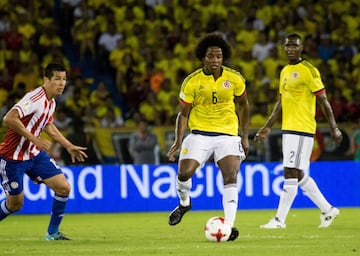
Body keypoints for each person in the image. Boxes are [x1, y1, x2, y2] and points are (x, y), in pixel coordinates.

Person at [254, 33, 343, 229]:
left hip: (302, 129)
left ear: (301, 48)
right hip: (289, 129)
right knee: (298, 174)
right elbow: (280, 103)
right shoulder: (284, 71)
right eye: (287, 46)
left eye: (294, 45)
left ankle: (279, 220)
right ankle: (328, 210)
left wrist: (334, 127)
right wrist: (267, 126)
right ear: (283, 48)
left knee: (290, 172)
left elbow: (324, 101)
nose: (290, 49)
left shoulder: (309, 71)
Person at [166, 33, 250, 241]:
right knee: (184, 174)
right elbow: (183, 114)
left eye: (219, 57)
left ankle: (229, 226)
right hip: (199, 135)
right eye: (210, 57)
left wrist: (245, 136)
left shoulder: (235, 78)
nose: (215, 60)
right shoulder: (192, 82)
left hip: (228, 135)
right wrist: (178, 141)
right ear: (203, 58)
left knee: (230, 176)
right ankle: (185, 203)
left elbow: (244, 105)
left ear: (224, 58)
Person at [0, 63, 88, 240]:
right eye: (57, 79)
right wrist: (35, 139)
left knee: (63, 187)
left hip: (34, 155)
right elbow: (9, 118)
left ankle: (52, 233)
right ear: (46, 79)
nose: (61, 83)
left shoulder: (51, 101)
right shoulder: (35, 97)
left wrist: (67, 145)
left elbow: (47, 123)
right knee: (15, 204)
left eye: (64, 79)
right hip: (12, 157)